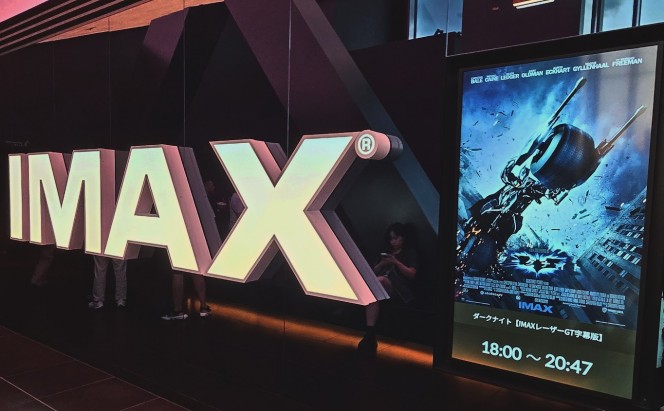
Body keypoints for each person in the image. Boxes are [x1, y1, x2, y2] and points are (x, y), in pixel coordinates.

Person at [358, 222, 418, 355]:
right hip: (382, 285)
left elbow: (412, 274)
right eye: (391, 239)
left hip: (400, 289)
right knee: (374, 291)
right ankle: (370, 331)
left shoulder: (409, 252)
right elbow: (372, 273)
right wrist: (382, 264)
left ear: (403, 237)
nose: (393, 242)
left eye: (396, 238)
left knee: (380, 281)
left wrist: (396, 262)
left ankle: (370, 333)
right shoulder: (386, 252)